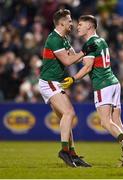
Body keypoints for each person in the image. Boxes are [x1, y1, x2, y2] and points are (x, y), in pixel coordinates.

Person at [61, 15, 123, 167]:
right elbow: (91, 61)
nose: (78, 27)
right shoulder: (100, 41)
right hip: (114, 82)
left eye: (81, 24)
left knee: (104, 122)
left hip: (103, 84)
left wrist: (73, 79)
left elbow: (88, 67)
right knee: (116, 121)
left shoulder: (90, 43)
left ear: (89, 26)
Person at [39, 10, 96, 167]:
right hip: (49, 82)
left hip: (55, 82)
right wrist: (85, 51)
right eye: (70, 21)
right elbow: (68, 61)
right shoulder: (54, 39)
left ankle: (72, 154)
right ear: (62, 23)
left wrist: (91, 57)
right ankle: (65, 151)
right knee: (69, 113)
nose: (72, 24)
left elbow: (76, 56)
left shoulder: (64, 38)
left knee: (67, 118)